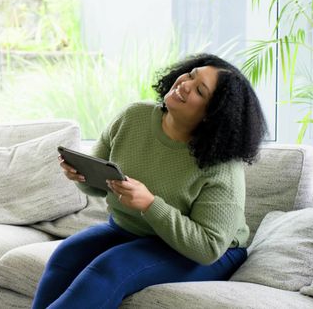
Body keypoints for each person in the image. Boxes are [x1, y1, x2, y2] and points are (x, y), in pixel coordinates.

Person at [33, 53, 268, 309]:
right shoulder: (134, 117)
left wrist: (149, 204)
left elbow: (208, 246)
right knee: (66, 255)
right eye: (191, 74)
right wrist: (81, 174)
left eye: (200, 90)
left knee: (110, 268)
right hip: (131, 230)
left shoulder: (222, 165)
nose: (185, 84)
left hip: (206, 253)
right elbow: (98, 186)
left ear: (212, 115)